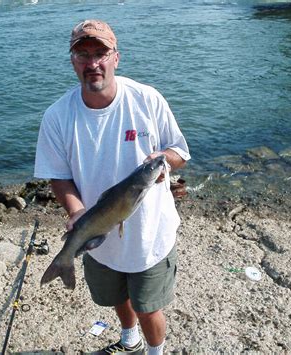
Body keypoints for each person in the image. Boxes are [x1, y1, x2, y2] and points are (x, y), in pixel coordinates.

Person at [34, 19, 191, 355]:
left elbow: (179, 151)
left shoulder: (147, 98)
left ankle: (155, 352)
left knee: (148, 305)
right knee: (117, 297)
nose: (93, 63)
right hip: (98, 233)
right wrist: (76, 210)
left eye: (101, 53)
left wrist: (163, 159)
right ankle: (128, 338)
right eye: (83, 55)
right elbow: (58, 176)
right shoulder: (57, 117)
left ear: (116, 57)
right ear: (73, 61)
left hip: (151, 235)